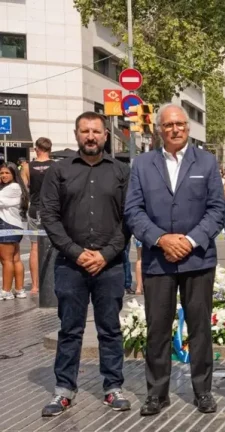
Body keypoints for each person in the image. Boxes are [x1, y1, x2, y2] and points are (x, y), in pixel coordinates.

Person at [124, 103, 225, 416]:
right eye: (168, 125)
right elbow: (133, 210)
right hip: (158, 260)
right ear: (159, 130)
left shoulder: (207, 162)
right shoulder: (142, 164)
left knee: (199, 329)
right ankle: (157, 394)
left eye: (180, 124)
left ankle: (203, 391)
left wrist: (190, 240)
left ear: (188, 127)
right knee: (157, 329)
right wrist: (161, 239)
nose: (175, 129)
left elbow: (217, 210)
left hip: (198, 260)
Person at [39, 112, 131, 416]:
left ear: (106, 135)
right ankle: (63, 390)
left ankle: (113, 387)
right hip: (70, 265)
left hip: (110, 265)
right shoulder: (59, 171)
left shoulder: (121, 171)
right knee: (69, 329)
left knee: (110, 329)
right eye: (85, 131)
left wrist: (106, 254)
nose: (90, 136)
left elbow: (129, 218)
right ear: (76, 134)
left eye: (96, 131)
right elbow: (49, 216)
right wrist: (76, 252)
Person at [22, 137, 55, 294]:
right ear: (50, 149)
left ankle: (35, 286)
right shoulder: (56, 166)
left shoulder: (27, 167)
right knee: (55, 245)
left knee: (34, 247)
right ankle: (52, 282)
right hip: (52, 210)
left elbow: (24, 191)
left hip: (35, 208)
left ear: (36, 149)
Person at [0, 163, 29, 300]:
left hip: (6, 225)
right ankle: (19, 289)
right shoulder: (16, 187)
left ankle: (6, 291)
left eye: (7, 173)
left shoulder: (12, 188)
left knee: (6, 260)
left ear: (14, 174)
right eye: (1, 173)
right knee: (15, 259)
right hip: (15, 225)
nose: (3, 176)